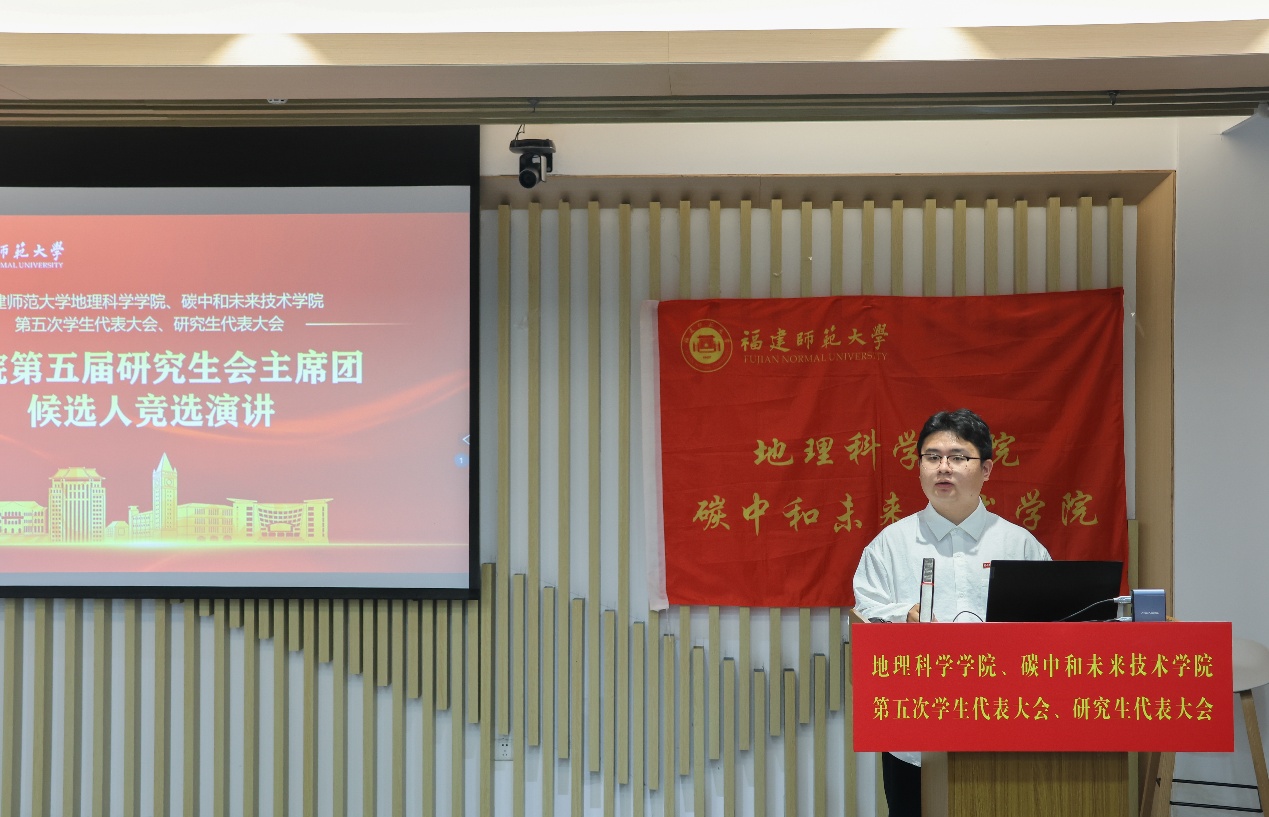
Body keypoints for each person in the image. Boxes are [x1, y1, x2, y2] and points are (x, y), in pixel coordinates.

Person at [852, 408, 1051, 817]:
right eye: (932, 457)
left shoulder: (1019, 546)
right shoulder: (890, 545)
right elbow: (865, 611)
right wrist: (902, 615)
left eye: (958, 457)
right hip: (914, 730)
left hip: (1004, 723)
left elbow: (1053, 623)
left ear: (986, 469)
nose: (943, 467)